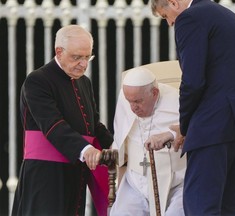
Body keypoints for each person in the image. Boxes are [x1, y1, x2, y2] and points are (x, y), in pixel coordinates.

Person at [150, 0, 235, 215]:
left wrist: (186, 125)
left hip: (214, 126)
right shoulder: (228, 15)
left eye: (165, 16)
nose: (170, 23)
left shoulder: (189, 18)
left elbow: (193, 81)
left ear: (173, 2)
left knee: (201, 206)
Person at [12, 25, 113, 216]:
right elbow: (52, 124)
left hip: (75, 171)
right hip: (46, 176)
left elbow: (94, 125)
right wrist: (85, 149)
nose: (83, 64)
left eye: (87, 57)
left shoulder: (84, 82)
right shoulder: (38, 80)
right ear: (59, 52)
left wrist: (117, 146)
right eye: (77, 57)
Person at [110, 67, 186, 216]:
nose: (133, 108)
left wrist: (171, 133)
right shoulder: (126, 101)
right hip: (136, 183)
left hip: (177, 183)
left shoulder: (178, 102)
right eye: (129, 101)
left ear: (154, 93)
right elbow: (119, 139)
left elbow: (195, 129)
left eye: (138, 101)